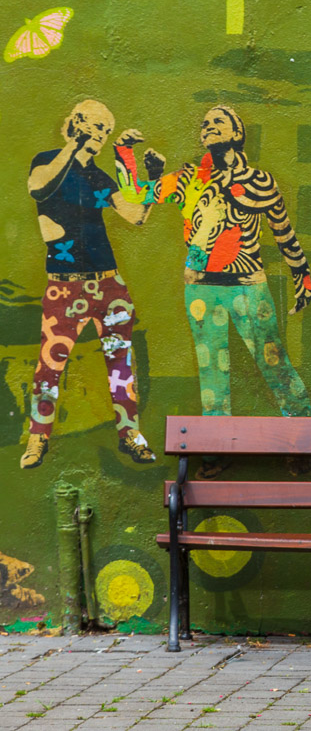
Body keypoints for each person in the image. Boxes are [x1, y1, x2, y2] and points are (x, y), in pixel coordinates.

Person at [116, 106, 311, 425]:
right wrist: (123, 152)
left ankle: (305, 437)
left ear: (237, 134)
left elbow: (283, 231)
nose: (209, 126)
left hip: (247, 287)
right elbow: (134, 193)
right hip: (200, 289)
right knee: (212, 380)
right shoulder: (188, 180)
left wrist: (302, 274)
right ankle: (215, 452)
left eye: (219, 121)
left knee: (275, 364)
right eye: (205, 123)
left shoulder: (258, 182)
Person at [21, 99, 165, 469]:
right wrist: (71, 144)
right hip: (64, 286)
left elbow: (134, 217)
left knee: (121, 364)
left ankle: (130, 433)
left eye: (105, 129)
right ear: (75, 123)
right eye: (95, 126)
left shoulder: (100, 179)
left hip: (108, 284)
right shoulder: (46, 162)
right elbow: (38, 189)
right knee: (49, 365)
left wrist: (151, 179)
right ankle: (38, 437)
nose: (100, 134)